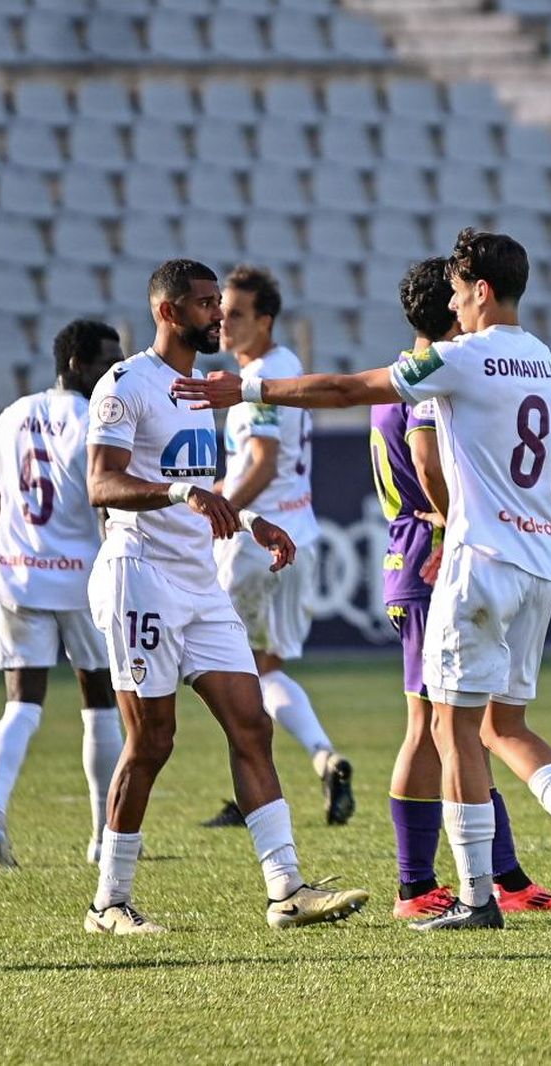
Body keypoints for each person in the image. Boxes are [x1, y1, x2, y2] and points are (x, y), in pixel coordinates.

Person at [174, 230, 551, 931]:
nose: (454, 304)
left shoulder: (458, 358)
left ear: (480, 290)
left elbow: (350, 389)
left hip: (476, 561)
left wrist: (249, 388)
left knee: (451, 728)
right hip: (539, 562)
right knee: (505, 724)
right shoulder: (544, 358)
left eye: (459, 290)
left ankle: (475, 897)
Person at [84, 258, 368, 933]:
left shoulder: (202, 390)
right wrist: (184, 491)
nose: (218, 315)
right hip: (139, 576)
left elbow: (199, 488)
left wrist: (248, 519)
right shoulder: (125, 384)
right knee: (152, 741)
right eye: (206, 304)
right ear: (167, 311)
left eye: (221, 303)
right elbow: (102, 483)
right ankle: (109, 903)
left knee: (251, 723)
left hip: (197, 580)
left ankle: (286, 890)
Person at [376, 257, 551, 920]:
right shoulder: (438, 374)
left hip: (418, 551)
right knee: (440, 725)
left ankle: (497, 876)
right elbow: (428, 462)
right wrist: (449, 527)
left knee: (457, 724)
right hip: (434, 552)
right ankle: (419, 884)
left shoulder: (418, 372)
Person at [204, 264, 353, 828]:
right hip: (299, 539)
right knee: (264, 672)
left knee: (226, 673)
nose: (222, 322)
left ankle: (251, 792)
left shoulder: (262, 376)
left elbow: (263, 464)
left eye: (236, 314)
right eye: (221, 311)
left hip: (255, 544)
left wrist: (222, 511)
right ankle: (323, 756)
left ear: (264, 321)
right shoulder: (285, 366)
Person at [0, 320, 125, 869]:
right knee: (100, 702)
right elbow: (107, 506)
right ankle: (103, 837)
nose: (113, 374)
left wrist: (14, 555)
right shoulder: (92, 420)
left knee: (20, 705)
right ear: (77, 364)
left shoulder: (12, 415)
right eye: (106, 364)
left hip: (18, 578)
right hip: (81, 580)